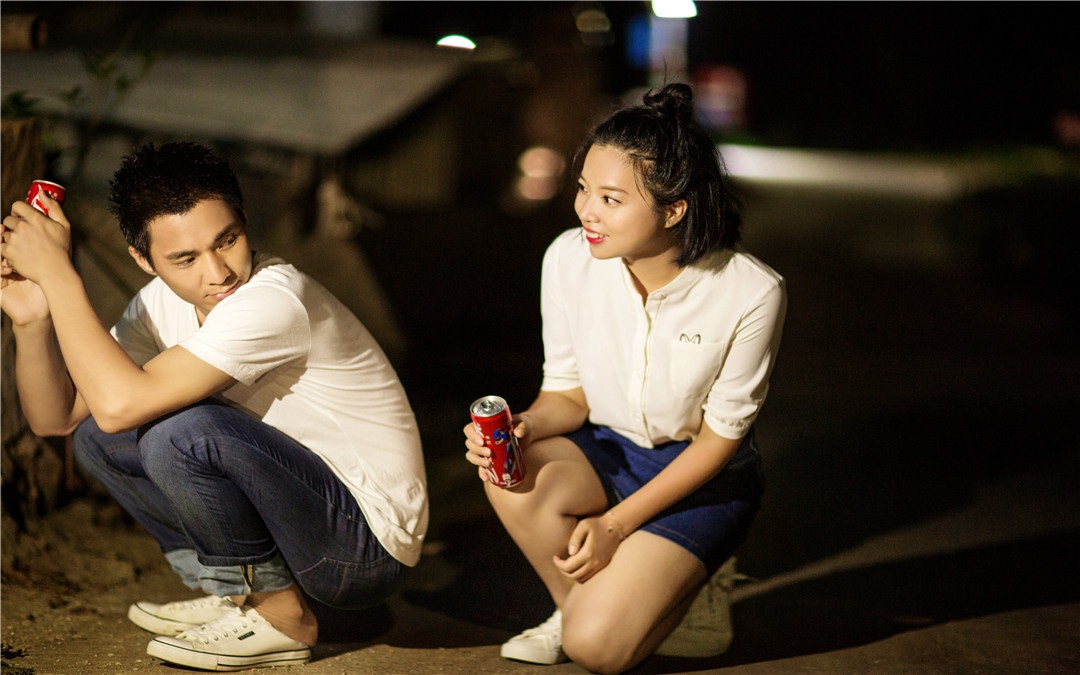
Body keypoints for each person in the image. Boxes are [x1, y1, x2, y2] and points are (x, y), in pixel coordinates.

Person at [0, 142, 428, 671]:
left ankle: (280, 617)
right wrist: (33, 321)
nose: (218, 272)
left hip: (362, 549)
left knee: (181, 432)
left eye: (227, 240)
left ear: (245, 221)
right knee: (101, 438)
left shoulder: (273, 299)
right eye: (185, 259)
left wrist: (61, 276)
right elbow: (60, 418)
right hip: (305, 523)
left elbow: (118, 405)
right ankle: (236, 591)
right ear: (143, 260)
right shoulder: (157, 305)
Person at [463, 83, 786, 674]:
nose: (586, 210)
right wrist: (522, 426)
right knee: (510, 472)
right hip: (609, 451)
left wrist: (615, 525)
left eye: (610, 198)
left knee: (597, 652)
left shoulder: (749, 291)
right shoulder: (568, 258)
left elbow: (719, 441)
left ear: (673, 209)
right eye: (584, 188)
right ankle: (577, 607)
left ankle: (695, 578)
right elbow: (567, 395)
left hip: (699, 476)